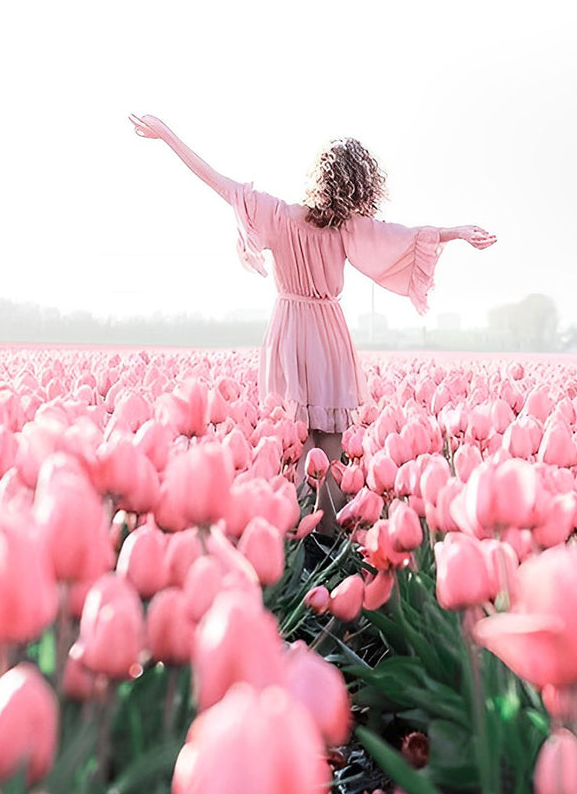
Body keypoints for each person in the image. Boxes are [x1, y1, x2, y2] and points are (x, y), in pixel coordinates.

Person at [129, 113, 496, 540]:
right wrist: (456, 233)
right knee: (331, 446)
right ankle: (333, 541)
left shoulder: (277, 214)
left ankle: (294, 540)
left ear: (320, 176)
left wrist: (168, 135)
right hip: (329, 331)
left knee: (295, 440)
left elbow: (218, 182)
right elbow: (407, 236)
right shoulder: (349, 229)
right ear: (360, 185)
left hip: (290, 330)